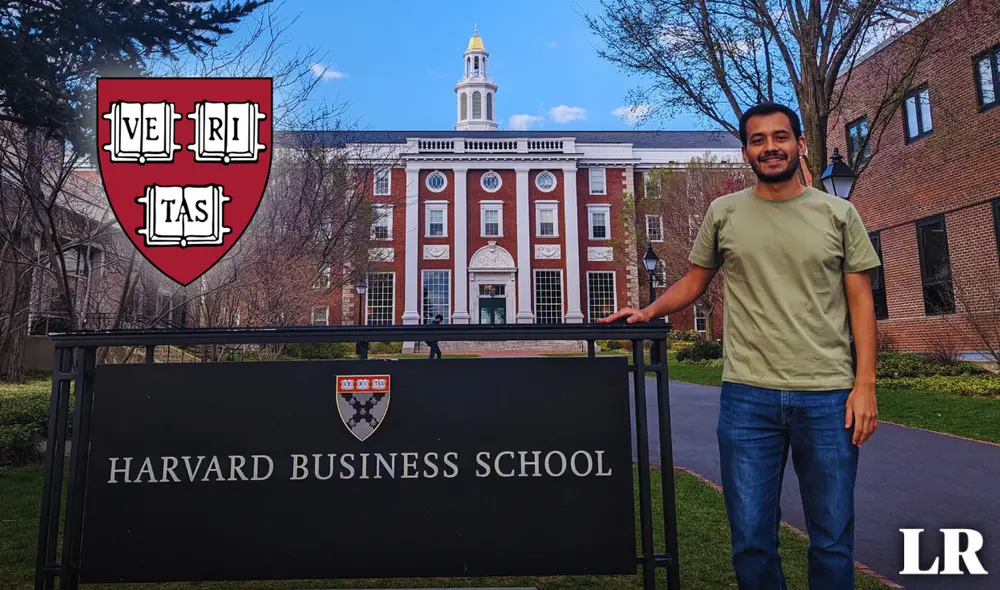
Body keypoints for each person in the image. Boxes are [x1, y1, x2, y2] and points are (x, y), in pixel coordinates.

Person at [600, 102, 881, 589]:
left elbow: (861, 303)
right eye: (758, 140)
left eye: (780, 137)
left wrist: (865, 385)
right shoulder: (723, 212)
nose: (770, 147)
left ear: (799, 144)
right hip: (748, 398)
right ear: (746, 151)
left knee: (832, 538)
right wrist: (647, 312)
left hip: (828, 395)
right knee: (752, 538)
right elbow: (693, 281)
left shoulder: (839, 213)